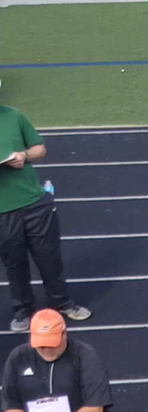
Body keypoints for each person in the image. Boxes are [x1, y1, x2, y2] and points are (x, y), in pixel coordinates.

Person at [0, 102, 91, 332]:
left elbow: (39, 149)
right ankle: (24, 311)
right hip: (2, 210)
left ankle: (62, 303)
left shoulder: (13, 115)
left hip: (34, 202)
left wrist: (24, 155)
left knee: (49, 258)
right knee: (14, 263)